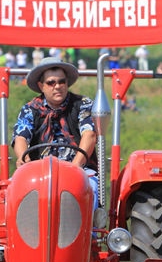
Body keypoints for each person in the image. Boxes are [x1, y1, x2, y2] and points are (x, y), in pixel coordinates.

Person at [12, 56, 98, 203]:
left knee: (90, 189)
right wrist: (23, 158)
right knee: (12, 192)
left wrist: (75, 167)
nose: (57, 86)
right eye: (51, 82)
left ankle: (90, 225)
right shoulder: (30, 109)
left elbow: (89, 134)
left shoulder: (83, 104)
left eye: (61, 81)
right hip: (38, 172)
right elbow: (21, 137)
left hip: (80, 170)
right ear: (41, 86)